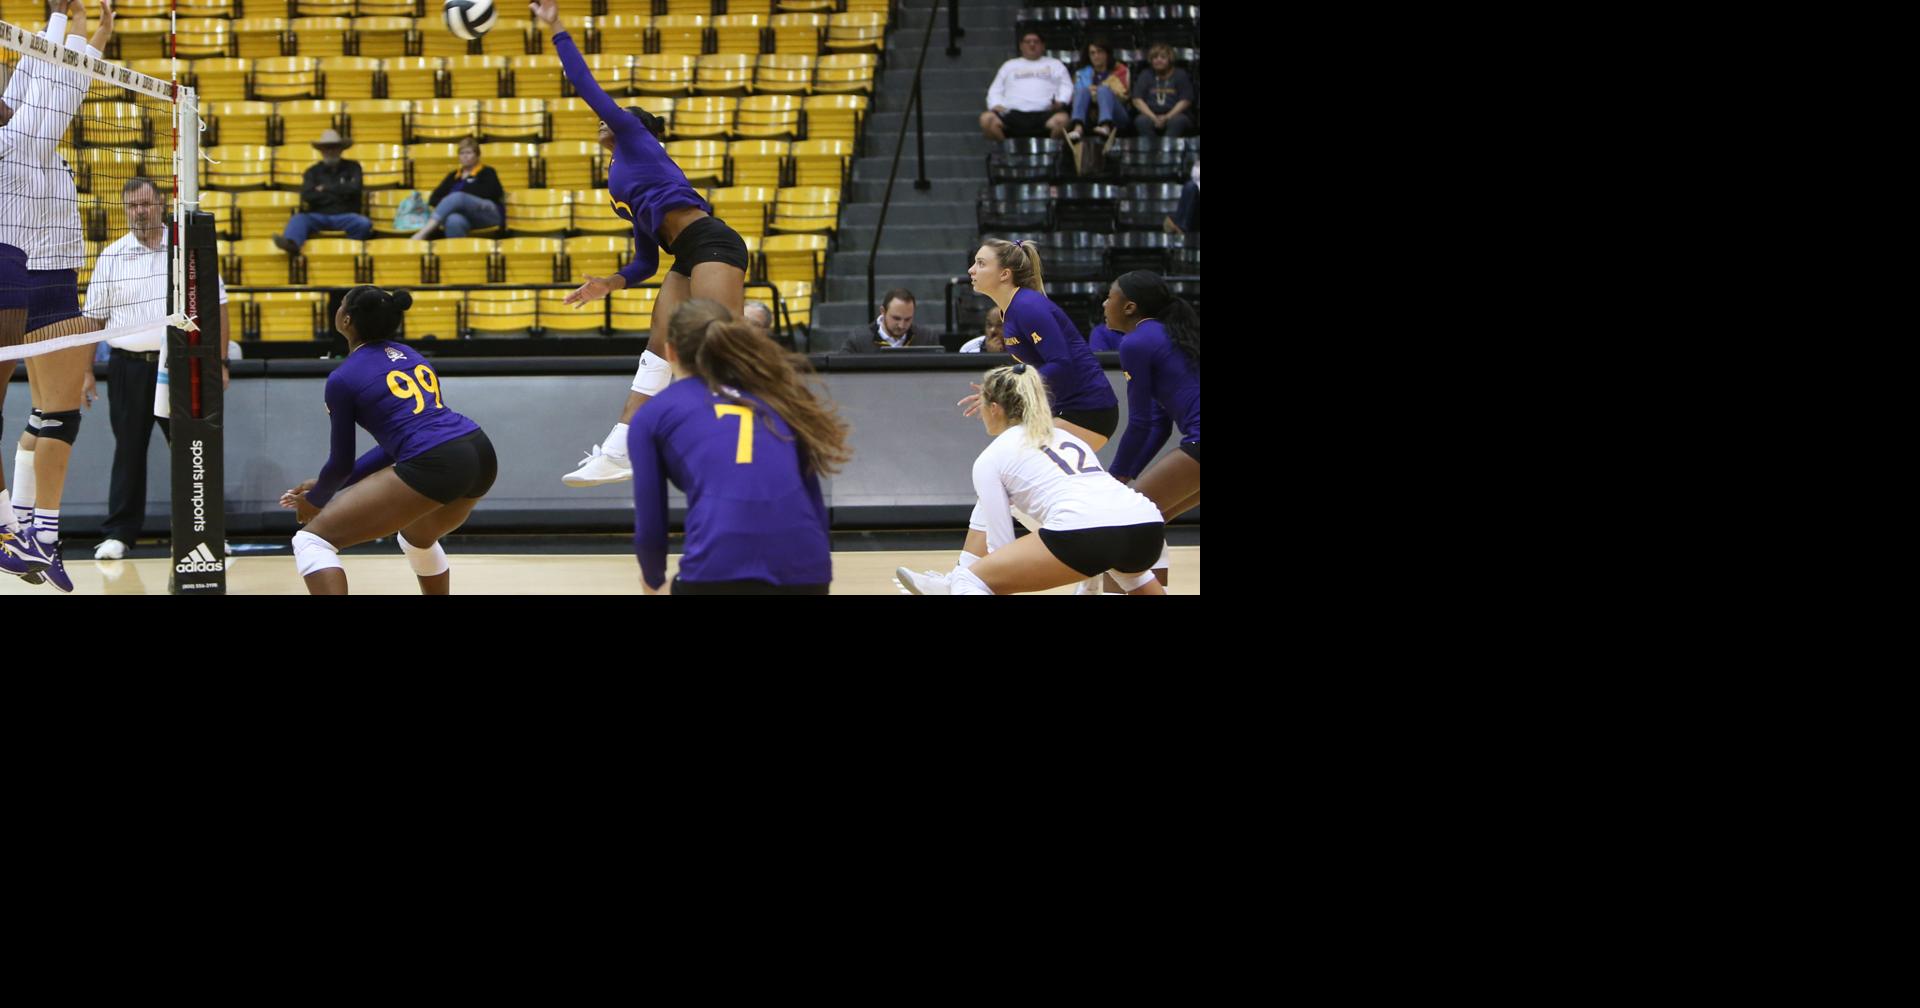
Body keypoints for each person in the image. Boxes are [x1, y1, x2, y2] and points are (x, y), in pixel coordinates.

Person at [529, 0, 751, 489]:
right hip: (684, 254)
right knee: (660, 348)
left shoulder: (638, 141)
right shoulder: (619, 184)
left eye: (623, 116)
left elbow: (587, 88)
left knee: (720, 343)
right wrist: (609, 283)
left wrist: (558, 28)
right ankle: (620, 447)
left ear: (644, 130)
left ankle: (750, 440)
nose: (608, 120)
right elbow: (647, 260)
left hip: (713, 240)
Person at [0, 0, 115, 593]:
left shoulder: (29, 124)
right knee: (42, 413)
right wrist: (71, 35)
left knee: (55, 415)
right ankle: (17, 531)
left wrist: (74, 32)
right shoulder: (22, 137)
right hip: (25, 272)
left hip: (59, 273)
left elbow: (40, 75)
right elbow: (52, 82)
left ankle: (39, 535)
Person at [279, 285, 497, 595]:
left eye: (341, 305)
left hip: (438, 460)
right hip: (478, 449)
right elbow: (397, 444)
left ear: (346, 320)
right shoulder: (410, 354)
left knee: (312, 540)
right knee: (416, 537)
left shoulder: (342, 378)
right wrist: (327, 484)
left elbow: (340, 462)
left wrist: (314, 501)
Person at [628, 298, 850, 595]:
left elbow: (651, 529)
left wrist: (653, 582)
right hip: (808, 568)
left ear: (670, 351)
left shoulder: (653, 415)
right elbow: (815, 507)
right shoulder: (778, 399)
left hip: (718, 570)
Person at [895, 363, 1164, 596]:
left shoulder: (991, 458)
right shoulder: (1068, 438)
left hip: (1086, 531)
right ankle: (954, 579)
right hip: (1146, 526)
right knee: (1132, 575)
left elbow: (1000, 548)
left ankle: (956, 579)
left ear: (995, 408)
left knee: (972, 580)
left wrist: (981, 575)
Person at [948, 238, 1118, 592]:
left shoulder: (1027, 307)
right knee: (1004, 484)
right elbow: (1041, 371)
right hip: (1072, 410)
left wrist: (1008, 387)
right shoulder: (1014, 310)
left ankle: (967, 577)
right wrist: (1002, 390)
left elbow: (1061, 363)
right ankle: (1094, 567)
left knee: (1001, 479)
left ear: (1005, 273)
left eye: (981, 263)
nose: (971, 270)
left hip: (1088, 410)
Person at [80, 177, 232, 562]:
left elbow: (218, 305)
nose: (139, 211)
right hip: (127, 369)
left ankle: (207, 533)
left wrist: (221, 363)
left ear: (161, 205)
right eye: (131, 205)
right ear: (124, 209)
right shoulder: (112, 256)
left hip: (181, 367)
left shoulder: (186, 253)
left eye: (145, 204)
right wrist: (84, 372)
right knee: (128, 451)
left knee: (192, 449)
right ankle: (119, 533)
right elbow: (93, 320)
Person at [1101, 270, 1199, 590]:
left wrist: (1114, 478)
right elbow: (1158, 424)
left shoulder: (1137, 341)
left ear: (1129, 307)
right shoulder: (1164, 333)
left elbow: (1140, 423)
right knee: (1146, 522)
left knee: (1121, 523)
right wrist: (1127, 477)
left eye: (1110, 296)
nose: (1104, 303)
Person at [272, 128, 371, 253]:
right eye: (327, 148)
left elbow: (355, 189)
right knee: (298, 219)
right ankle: (292, 244)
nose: (330, 151)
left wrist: (325, 189)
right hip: (318, 216)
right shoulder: (312, 171)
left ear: (341, 149)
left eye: (334, 147)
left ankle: (354, 251)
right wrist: (340, 193)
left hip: (346, 216)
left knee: (363, 223)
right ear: (321, 150)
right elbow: (308, 196)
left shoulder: (354, 167)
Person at [979, 31, 1071, 142]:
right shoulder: (1009, 65)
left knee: (1063, 120)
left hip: (1045, 114)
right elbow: (995, 89)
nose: (1032, 45)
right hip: (1012, 114)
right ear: (1021, 46)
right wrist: (995, 104)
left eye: (1036, 42)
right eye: (1027, 42)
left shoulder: (1055, 64)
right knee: (986, 119)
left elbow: (1067, 86)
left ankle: (1053, 155)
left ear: (1043, 46)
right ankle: (1005, 153)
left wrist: (1061, 102)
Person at [409, 136, 505, 240]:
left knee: (458, 197)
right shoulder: (454, 175)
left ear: (477, 155)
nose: (465, 156)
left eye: (469, 153)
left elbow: (495, 193)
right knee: (453, 220)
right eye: (462, 153)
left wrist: (461, 199)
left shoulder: (487, 172)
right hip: (465, 217)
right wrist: (453, 204)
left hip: (487, 214)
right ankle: (458, 254)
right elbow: (434, 198)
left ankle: (424, 232)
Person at [1065, 38, 1128, 166]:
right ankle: (1078, 128)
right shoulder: (1081, 74)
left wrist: (1098, 91)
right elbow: (1075, 98)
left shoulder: (1120, 71)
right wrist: (1092, 92)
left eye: (1099, 52)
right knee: (1082, 91)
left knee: (1103, 90)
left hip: (1117, 116)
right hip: (1089, 116)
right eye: (1092, 53)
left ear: (1107, 54)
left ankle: (1105, 126)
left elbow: (1124, 96)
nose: (1096, 56)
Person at [839, 288, 936, 352]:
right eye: (896, 318)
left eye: (908, 319)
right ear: (883, 311)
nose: (901, 325)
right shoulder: (858, 341)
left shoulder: (927, 338)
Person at [1131, 43, 1196, 138]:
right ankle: (1152, 149)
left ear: (1170, 59)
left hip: (1175, 114)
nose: (1158, 60)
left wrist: (1167, 117)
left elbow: (1186, 100)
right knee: (1141, 121)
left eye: (1163, 57)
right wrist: (1153, 118)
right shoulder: (1145, 74)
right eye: (1155, 57)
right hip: (1150, 113)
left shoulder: (1180, 74)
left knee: (1178, 121)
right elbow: (1137, 99)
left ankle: (1168, 148)